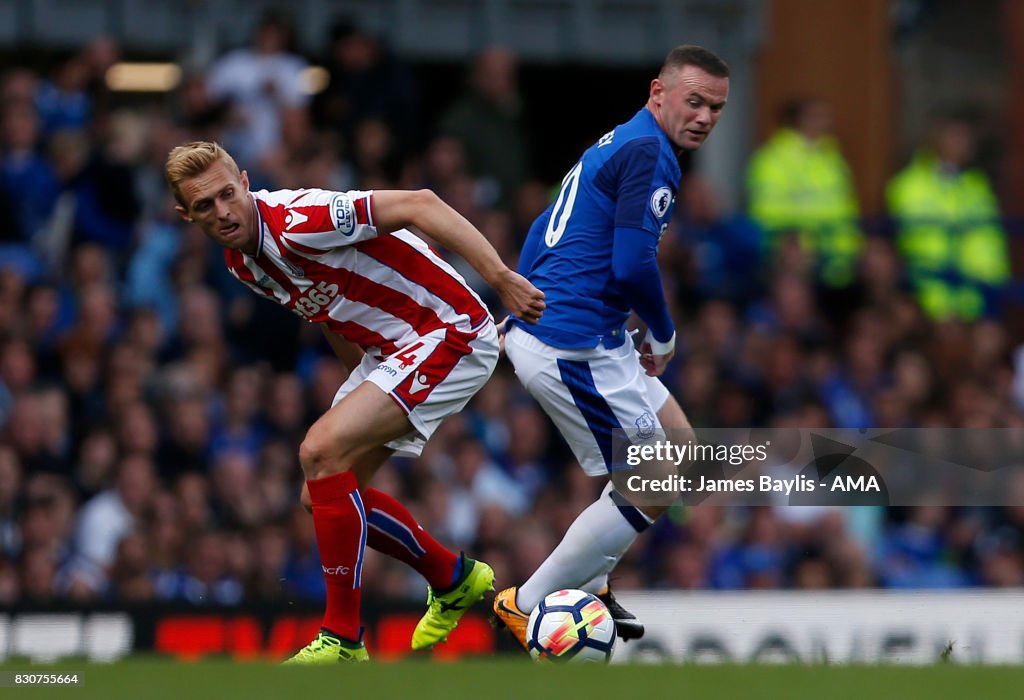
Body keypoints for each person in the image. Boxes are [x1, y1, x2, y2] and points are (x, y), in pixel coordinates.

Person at [164, 141, 545, 664]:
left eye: (227, 194)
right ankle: (452, 577)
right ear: (185, 215)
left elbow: (421, 203)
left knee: (319, 449)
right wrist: (365, 394)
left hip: (447, 328)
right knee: (320, 492)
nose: (223, 212)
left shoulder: (301, 220)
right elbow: (326, 308)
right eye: (204, 206)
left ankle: (343, 638)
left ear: (246, 182)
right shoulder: (242, 264)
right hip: (388, 351)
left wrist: (500, 277)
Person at [491, 45, 729, 648]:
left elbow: (556, 227)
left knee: (679, 445)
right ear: (659, 93)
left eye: (716, 108)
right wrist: (665, 333)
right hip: (571, 343)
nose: (703, 116)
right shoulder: (650, 152)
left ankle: (592, 584)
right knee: (657, 479)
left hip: (582, 331)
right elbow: (630, 265)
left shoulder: (627, 139)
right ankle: (527, 602)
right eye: (694, 101)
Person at [886, 111, 1009, 321]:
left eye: (968, 138)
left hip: (981, 290)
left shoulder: (977, 185)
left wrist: (993, 280)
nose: (965, 144)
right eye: (958, 137)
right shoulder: (909, 184)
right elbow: (916, 239)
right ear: (938, 140)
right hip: (932, 293)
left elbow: (991, 237)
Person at [746, 97, 864, 290]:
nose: (826, 122)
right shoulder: (771, 160)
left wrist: (849, 252)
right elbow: (765, 213)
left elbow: (846, 209)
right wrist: (806, 239)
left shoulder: (832, 159)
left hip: (838, 261)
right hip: (794, 257)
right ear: (796, 120)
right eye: (816, 116)